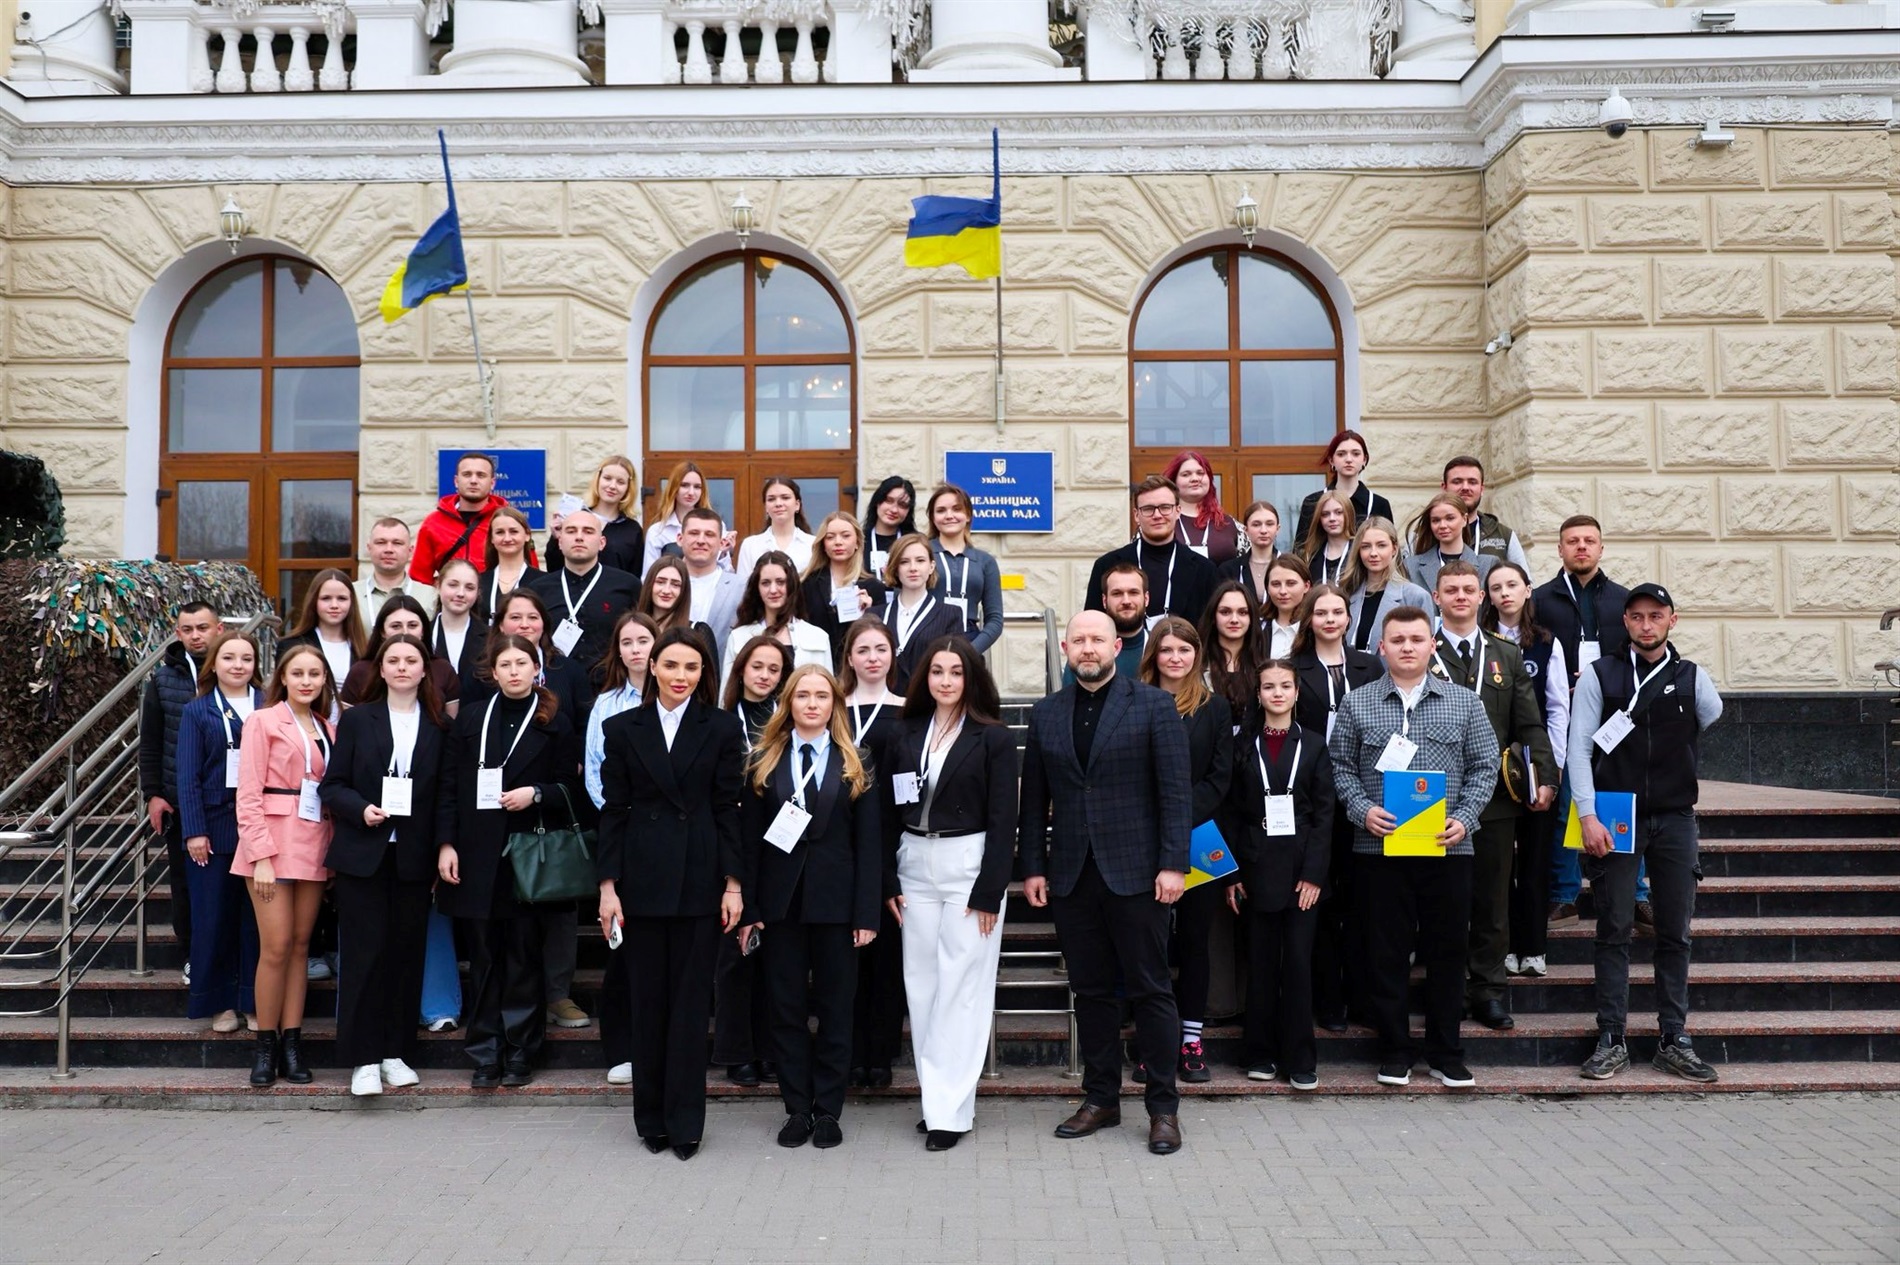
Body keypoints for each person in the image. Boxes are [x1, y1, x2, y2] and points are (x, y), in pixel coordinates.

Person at [1019, 610, 1192, 1156]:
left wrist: (1173, 864)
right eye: (1079, 641)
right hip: (1072, 875)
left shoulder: (1154, 705)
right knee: (1090, 991)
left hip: (1139, 873)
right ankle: (1101, 1099)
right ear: (1066, 648)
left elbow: (1175, 793)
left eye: (1098, 639)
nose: (1088, 649)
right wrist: (1033, 867)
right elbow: (1032, 802)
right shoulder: (1046, 712)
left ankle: (1163, 1109)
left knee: (1151, 990)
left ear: (1117, 646)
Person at [1328, 605, 1497, 1089]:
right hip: (1378, 851)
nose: (1406, 647)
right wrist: (1362, 810)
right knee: (1385, 952)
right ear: (1382, 647)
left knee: (1447, 951)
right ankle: (1395, 1050)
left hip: (1448, 849)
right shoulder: (1358, 703)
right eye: (1397, 640)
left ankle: (1446, 1052)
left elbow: (1486, 766)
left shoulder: (1465, 703)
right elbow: (1339, 766)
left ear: (1432, 645)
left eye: (1416, 640)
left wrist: (1465, 819)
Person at [596, 627, 748, 1159]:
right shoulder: (621, 729)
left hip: (701, 878)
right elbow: (612, 811)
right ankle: (651, 1121)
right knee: (647, 1003)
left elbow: (730, 808)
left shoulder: (723, 728)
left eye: (692, 668)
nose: (681, 677)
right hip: (639, 881)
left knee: (688, 1006)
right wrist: (607, 888)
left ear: (703, 674)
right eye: (672, 666)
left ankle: (686, 1124)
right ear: (652, 667)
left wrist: (734, 883)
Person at [1571, 583, 1724, 1085]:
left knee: (1674, 930)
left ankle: (1673, 1037)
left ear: (1671, 620)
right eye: (1635, 617)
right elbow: (1577, 751)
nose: (1645, 625)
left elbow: (1711, 716)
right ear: (1626, 623)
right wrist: (1587, 815)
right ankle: (1611, 1037)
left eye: (1655, 616)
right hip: (1615, 813)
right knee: (1613, 927)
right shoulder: (1601, 675)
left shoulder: (1692, 678)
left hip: (1676, 816)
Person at [738, 665, 881, 1150]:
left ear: (835, 705)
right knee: (786, 1010)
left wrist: (866, 914)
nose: (813, 704)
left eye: (823, 696)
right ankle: (797, 1108)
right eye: (804, 696)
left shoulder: (855, 761)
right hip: (780, 909)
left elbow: (869, 847)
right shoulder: (764, 759)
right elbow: (751, 843)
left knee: (837, 1010)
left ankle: (829, 1111)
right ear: (789, 703)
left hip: (838, 908)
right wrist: (752, 907)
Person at [435, 633, 586, 1090]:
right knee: (482, 959)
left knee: (522, 958)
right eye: (506, 664)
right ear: (492, 671)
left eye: (523, 663)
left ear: (536, 669)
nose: (515, 671)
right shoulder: (473, 719)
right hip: (477, 854)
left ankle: (522, 1051)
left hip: (527, 855)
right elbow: (448, 786)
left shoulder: (554, 721)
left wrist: (536, 793)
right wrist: (446, 844)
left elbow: (573, 790)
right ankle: (485, 1052)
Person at [884, 638, 1018, 1149]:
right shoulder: (906, 732)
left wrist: (990, 891)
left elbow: (1005, 819)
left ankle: (950, 1113)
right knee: (922, 987)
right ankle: (937, 1100)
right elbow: (888, 810)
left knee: (962, 989)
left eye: (955, 672)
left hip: (969, 867)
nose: (945, 680)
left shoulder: (994, 739)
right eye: (936, 671)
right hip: (914, 862)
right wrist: (889, 880)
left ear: (971, 679)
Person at [1429, 561, 1556, 1033]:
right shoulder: (1424, 650)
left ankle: (1489, 990)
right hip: (1432, 797)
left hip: (1495, 800)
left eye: (1468, 589)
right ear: (1437, 597)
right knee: (1442, 901)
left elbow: (1529, 723)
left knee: (1491, 899)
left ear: (1481, 597)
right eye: (1451, 590)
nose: (1460, 596)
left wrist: (1544, 776)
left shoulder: (1504, 654)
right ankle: (1447, 989)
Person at [319, 632, 448, 1097]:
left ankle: (395, 1052)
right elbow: (331, 786)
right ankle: (363, 1058)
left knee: (405, 955)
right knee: (363, 956)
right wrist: (361, 810)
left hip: (412, 855)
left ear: (423, 669)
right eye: (392, 659)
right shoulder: (358, 722)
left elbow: (444, 796)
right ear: (381, 668)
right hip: (363, 853)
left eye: (410, 660)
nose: (401, 667)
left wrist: (443, 846)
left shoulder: (437, 725)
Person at [1221, 659, 1334, 1089]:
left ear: (1296, 692)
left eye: (1285, 686)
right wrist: (1231, 872)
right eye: (1269, 686)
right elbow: (1231, 811)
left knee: (1298, 965)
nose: (1278, 693)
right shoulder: (1242, 744)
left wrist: (1315, 875)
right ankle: (1260, 1054)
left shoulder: (1315, 745)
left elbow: (1325, 816)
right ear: (1259, 693)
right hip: (1255, 863)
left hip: (1302, 868)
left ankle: (1301, 1060)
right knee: (1262, 963)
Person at [231, 643, 336, 1087]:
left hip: (313, 841)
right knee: (274, 948)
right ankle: (265, 1046)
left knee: (299, 948)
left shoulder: (329, 726)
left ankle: (293, 1046)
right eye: (299, 673)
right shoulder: (262, 720)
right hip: (271, 843)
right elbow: (248, 791)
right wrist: (261, 856)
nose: (307, 681)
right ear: (284, 678)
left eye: (315, 673)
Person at [1136, 618, 1232, 1087]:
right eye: (1167, 649)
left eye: (1185, 649)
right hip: (1141, 838)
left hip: (1199, 837)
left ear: (1197, 654)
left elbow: (1220, 777)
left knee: (1195, 940)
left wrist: (1178, 815)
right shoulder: (1131, 702)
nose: (1176, 658)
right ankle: (1152, 1041)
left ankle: (1191, 1038)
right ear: (1153, 653)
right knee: (1148, 945)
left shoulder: (1214, 709)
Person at [1534, 515, 1640, 927]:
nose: (1581, 547)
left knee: (1621, 800)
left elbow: (1638, 652)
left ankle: (1634, 893)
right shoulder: (1540, 600)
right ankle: (1563, 895)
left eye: (1589, 541)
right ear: (1559, 549)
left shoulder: (1625, 600)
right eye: (1572, 541)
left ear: (1601, 548)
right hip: (1563, 714)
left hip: (1615, 715)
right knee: (1566, 804)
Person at [1289, 586, 1383, 1030]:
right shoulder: (1293, 668)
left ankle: (1362, 997)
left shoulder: (1369, 665)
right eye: (1320, 612)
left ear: (1348, 618)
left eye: (1337, 612)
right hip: (1310, 798)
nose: (1329, 619)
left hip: (1365, 796)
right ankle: (1328, 1001)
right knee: (1320, 902)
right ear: (1309, 619)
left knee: (1363, 902)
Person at [1482, 562, 1570, 981]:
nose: (1504, 594)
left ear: (1528, 590)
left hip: (1535, 766)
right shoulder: (1482, 644)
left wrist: (1551, 771)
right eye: (1496, 587)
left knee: (1534, 862)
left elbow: (1556, 710)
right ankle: (1501, 949)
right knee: (1498, 869)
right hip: (1492, 769)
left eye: (1512, 585)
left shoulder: (1547, 643)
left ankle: (1532, 947)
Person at [174, 628, 263, 1034]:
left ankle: (253, 999)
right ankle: (219, 1003)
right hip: (212, 829)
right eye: (229, 658)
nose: (238, 665)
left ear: (256, 665)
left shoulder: (269, 705)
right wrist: (194, 830)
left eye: (246, 658)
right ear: (215, 664)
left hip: (260, 829)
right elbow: (187, 776)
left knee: (256, 921)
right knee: (213, 919)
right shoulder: (197, 711)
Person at [584, 610, 659, 1088]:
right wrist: (622, 817)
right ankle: (623, 1047)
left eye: (644, 640)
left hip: (670, 840)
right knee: (622, 945)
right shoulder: (607, 704)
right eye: (627, 642)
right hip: (624, 837)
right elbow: (595, 770)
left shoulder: (679, 693)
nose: (636, 649)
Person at [713, 634, 792, 1085]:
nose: (764, 675)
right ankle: (737, 1051)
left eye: (774, 670)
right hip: (732, 845)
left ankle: (770, 1048)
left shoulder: (787, 723)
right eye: (757, 666)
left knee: (774, 954)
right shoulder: (723, 721)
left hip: (779, 848)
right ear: (741, 668)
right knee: (735, 952)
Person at [838, 618, 906, 1088]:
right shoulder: (832, 707)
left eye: (880, 649)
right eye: (863, 650)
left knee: (887, 957)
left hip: (893, 840)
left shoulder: (907, 710)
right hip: (837, 843)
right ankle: (847, 1051)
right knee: (844, 959)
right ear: (849, 658)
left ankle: (880, 1055)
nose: (872, 658)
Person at [140, 601, 220, 984]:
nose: (195, 636)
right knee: (185, 883)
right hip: (178, 800)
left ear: (218, 629)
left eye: (202, 627)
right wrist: (153, 793)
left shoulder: (237, 670)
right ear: (178, 633)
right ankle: (191, 955)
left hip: (228, 799)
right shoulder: (162, 680)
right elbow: (150, 742)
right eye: (187, 629)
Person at [1084, 476, 1217, 625]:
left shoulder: (1204, 570)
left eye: (1165, 507)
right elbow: (1092, 625)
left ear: (1178, 511)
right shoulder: (1106, 565)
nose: (1157, 515)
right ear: (1136, 515)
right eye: (1148, 509)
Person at [528, 511, 641, 682]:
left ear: (602, 542)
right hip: (554, 687)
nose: (579, 537)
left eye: (588, 531)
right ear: (560, 542)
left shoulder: (627, 585)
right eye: (571, 531)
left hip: (610, 687)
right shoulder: (538, 589)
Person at [474, 590, 596, 739]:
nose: (524, 625)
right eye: (515, 617)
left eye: (532, 617)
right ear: (501, 625)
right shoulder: (480, 674)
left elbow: (586, 726)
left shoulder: (571, 670)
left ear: (543, 624)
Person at [719, 551, 833, 686]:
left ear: (791, 584)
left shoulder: (818, 637)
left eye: (780, 582)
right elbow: (726, 698)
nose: (773, 590)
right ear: (757, 588)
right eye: (765, 583)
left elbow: (827, 694)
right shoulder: (738, 637)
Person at [338, 595, 460, 710]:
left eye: (412, 625)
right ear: (382, 632)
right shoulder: (360, 671)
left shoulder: (443, 669)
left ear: (423, 630)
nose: (405, 632)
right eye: (396, 626)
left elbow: (451, 725)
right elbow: (347, 724)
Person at [878, 534, 965, 695]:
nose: (913, 568)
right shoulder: (876, 615)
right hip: (885, 705)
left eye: (920, 560)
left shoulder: (950, 614)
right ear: (895, 568)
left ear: (931, 566)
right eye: (904, 562)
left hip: (928, 705)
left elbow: (954, 667)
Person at [925, 484, 1005, 653]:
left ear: (968, 515)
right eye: (941, 510)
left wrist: (971, 651)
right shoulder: (920, 553)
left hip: (969, 639)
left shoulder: (985, 561)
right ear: (932, 517)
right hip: (925, 637)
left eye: (956, 509)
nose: (949, 516)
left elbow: (995, 619)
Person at [802, 511, 887, 663]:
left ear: (857, 543)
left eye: (845, 536)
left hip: (858, 668)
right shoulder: (807, 584)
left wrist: (869, 612)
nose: (838, 542)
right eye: (830, 537)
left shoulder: (874, 588)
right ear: (823, 545)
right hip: (817, 664)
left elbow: (881, 637)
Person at [411, 451, 508, 584]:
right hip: (451, 600)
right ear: (456, 481)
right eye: (467, 474)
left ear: (492, 483)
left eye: (481, 475)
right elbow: (419, 577)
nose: (473, 481)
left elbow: (528, 570)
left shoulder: (507, 521)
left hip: (496, 600)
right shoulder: (434, 522)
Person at [1340, 517, 1431, 657]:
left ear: (1394, 549)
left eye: (1381, 545)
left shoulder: (1416, 596)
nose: (1373, 553)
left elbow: (1425, 652)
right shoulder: (1347, 594)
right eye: (1365, 546)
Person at [278, 568, 366, 703]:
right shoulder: (290, 645)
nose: (334, 605)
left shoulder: (365, 647)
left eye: (342, 598)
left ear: (352, 602)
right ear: (314, 601)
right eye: (326, 598)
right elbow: (281, 695)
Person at [547, 455, 645, 575]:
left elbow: (635, 576)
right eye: (607, 478)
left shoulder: (632, 530)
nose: (612, 486)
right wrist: (556, 539)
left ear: (629, 488)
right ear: (598, 479)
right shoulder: (576, 518)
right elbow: (553, 568)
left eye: (620, 482)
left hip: (615, 592)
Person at [1293, 430, 1394, 546]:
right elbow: (1300, 550)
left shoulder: (1379, 504)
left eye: (1356, 454)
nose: (1349, 459)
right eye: (1341, 454)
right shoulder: (1313, 501)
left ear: (1364, 460)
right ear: (1331, 460)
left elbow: (1390, 550)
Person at [677, 507, 746, 666]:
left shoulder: (741, 588)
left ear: (722, 543)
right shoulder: (662, 585)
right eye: (694, 533)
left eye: (709, 534)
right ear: (680, 538)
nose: (701, 540)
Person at [644, 461, 737, 576]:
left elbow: (728, 573)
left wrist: (724, 552)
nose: (691, 492)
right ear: (674, 488)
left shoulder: (716, 525)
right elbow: (648, 577)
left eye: (697, 487)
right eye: (684, 485)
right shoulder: (658, 531)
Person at [1440, 455, 1529, 569]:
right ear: (1444, 488)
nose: (1465, 487)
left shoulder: (1503, 535)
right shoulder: (1422, 536)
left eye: (1472, 482)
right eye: (1457, 482)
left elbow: (1525, 582)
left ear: (1482, 489)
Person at [1198, 581, 1265, 728]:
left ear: (1251, 618)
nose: (1234, 620)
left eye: (1242, 612)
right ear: (1213, 617)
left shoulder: (1264, 665)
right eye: (1225, 612)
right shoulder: (1195, 665)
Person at [1404, 492, 1495, 593]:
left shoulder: (1488, 564)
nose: (1442, 525)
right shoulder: (1411, 566)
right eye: (1436, 520)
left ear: (1464, 519)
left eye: (1450, 518)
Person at [355, 517, 438, 626]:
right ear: (369, 548)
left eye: (397, 543)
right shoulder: (351, 594)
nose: (389, 549)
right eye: (381, 542)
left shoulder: (431, 596)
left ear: (410, 551)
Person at [1163, 451, 1240, 566]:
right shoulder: (1159, 520)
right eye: (1186, 474)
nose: (1195, 479)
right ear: (1174, 481)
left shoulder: (1229, 523)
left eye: (1200, 473)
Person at [735, 476, 816, 581]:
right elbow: (743, 588)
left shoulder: (813, 544)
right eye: (771, 499)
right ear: (766, 507)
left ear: (797, 505)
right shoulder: (750, 545)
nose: (778, 504)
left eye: (785, 497)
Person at [431, 559, 488, 699]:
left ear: (477, 593)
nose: (460, 593)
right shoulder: (421, 634)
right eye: (453, 585)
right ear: (438, 585)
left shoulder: (491, 637)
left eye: (469, 587)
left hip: (475, 717)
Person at [475, 505, 542, 622]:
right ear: (492, 538)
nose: (507, 538)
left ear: (527, 535)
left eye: (513, 531)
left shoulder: (543, 581)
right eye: (500, 532)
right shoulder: (478, 582)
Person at [1216, 500, 1284, 605]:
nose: (1263, 530)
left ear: (1277, 529)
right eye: (1256, 524)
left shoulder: (1290, 567)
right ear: (1246, 530)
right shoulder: (1229, 570)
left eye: (1269, 524)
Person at [1297, 491, 1357, 589]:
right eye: (1325, 514)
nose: (1332, 518)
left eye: (1338, 512)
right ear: (1319, 519)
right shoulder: (1309, 555)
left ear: (1348, 514)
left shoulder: (1360, 551)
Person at [862, 476, 917, 573]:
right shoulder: (859, 541)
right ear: (877, 501)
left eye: (902, 505)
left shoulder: (916, 542)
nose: (894, 510)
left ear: (909, 510)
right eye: (889, 501)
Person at [1262, 553, 1311, 659]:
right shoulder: (1257, 630)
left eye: (1291, 583)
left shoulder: (1316, 628)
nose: (1283, 591)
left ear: (1306, 586)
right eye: (1276, 584)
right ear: (1267, 588)